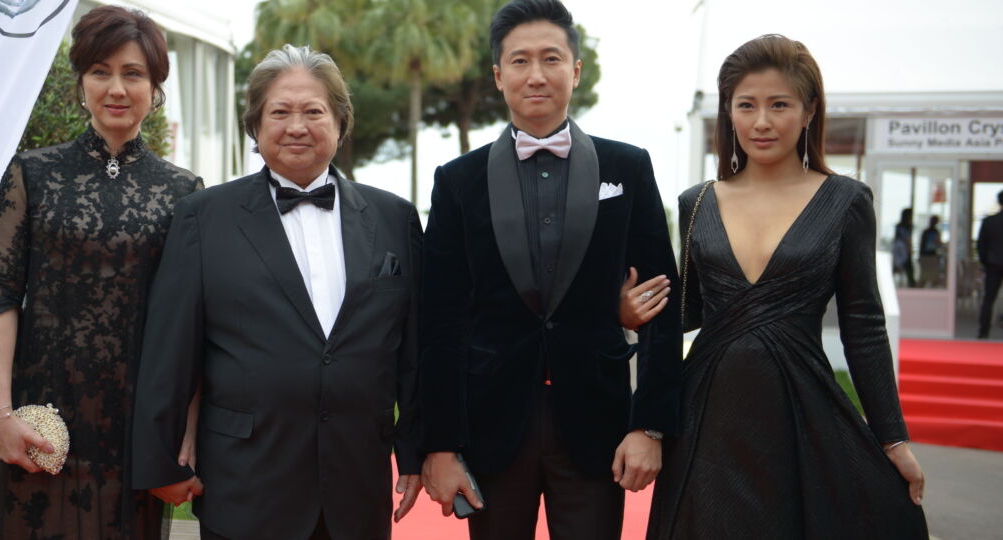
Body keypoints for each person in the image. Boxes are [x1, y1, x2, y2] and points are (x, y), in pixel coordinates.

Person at [130, 44, 424, 540]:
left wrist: (416, 450)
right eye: (280, 111)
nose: (296, 126)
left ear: (339, 121)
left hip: (358, 486)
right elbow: (169, 347)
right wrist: (159, 459)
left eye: (313, 111)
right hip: (247, 485)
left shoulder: (394, 217)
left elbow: (415, 351)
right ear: (255, 124)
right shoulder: (204, 217)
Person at [646, 34, 928, 539]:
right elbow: (681, 318)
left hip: (801, 410)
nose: (761, 121)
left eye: (779, 104)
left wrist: (893, 439)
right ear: (728, 113)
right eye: (746, 105)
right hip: (707, 413)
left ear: (809, 110)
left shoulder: (846, 201)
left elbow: (863, 327)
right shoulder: (697, 202)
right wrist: (629, 315)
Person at [419, 1, 682, 538]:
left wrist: (650, 426)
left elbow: (661, 301)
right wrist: (440, 443)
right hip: (492, 426)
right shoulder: (457, 181)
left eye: (551, 58)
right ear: (498, 75)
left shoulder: (628, 168)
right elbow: (438, 320)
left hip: (596, 424)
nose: (536, 75)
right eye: (519, 61)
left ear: (576, 70)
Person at [0, 6, 203, 539]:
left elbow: (192, 324)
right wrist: (0, 417)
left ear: (155, 87)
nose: (116, 88)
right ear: (81, 84)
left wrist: (185, 434)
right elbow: (0, 298)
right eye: (101, 72)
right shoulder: (30, 173)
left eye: (133, 73)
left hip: (133, 423)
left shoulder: (185, 192)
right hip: (38, 414)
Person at [978, 190, 1003, 338]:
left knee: (988, 299)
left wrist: (985, 262)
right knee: (988, 299)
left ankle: (983, 332)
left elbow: (981, 245)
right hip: (992, 263)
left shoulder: (989, 221)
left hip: (992, 264)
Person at [894, 207, 918, 287]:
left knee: (899, 268)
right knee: (908, 268)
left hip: (898, 249)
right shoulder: (908, 226)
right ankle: (911, 284)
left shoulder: (899, 226)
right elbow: (907, 239)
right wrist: (909, 249)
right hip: (903, 250)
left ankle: (902, 284)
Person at [919, 215, 943, 287]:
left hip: (930, 255)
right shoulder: (931, 232)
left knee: (930, 275)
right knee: (927, 275)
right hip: (928, 255)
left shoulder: (929, 232)